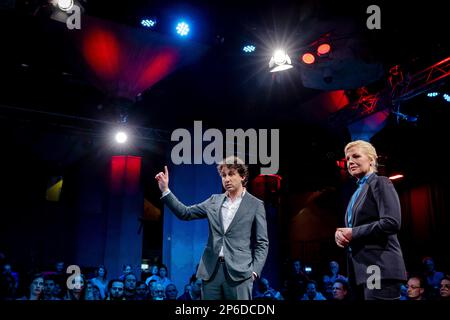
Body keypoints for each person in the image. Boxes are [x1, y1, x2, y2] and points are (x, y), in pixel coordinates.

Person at [155, 156, 269, 300]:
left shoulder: (255, 204)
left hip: (240, 273)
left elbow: (262, 243)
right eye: (223, 175)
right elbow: (185, 213)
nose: (226, 179)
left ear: (242, 176)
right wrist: (166, 190)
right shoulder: (214, 201)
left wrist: (254, 271)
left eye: (231, 174)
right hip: (211, 272)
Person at [335, 140, 407, 300]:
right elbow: (356, 228)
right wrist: (342, 236)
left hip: (378, 267)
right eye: (347, 159)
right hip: (361, 271)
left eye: (356, 156)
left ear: (371, 160)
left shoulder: (380, 182)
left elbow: (391, 222)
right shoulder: (357, 192)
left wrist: (353, 232)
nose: (350, 162)